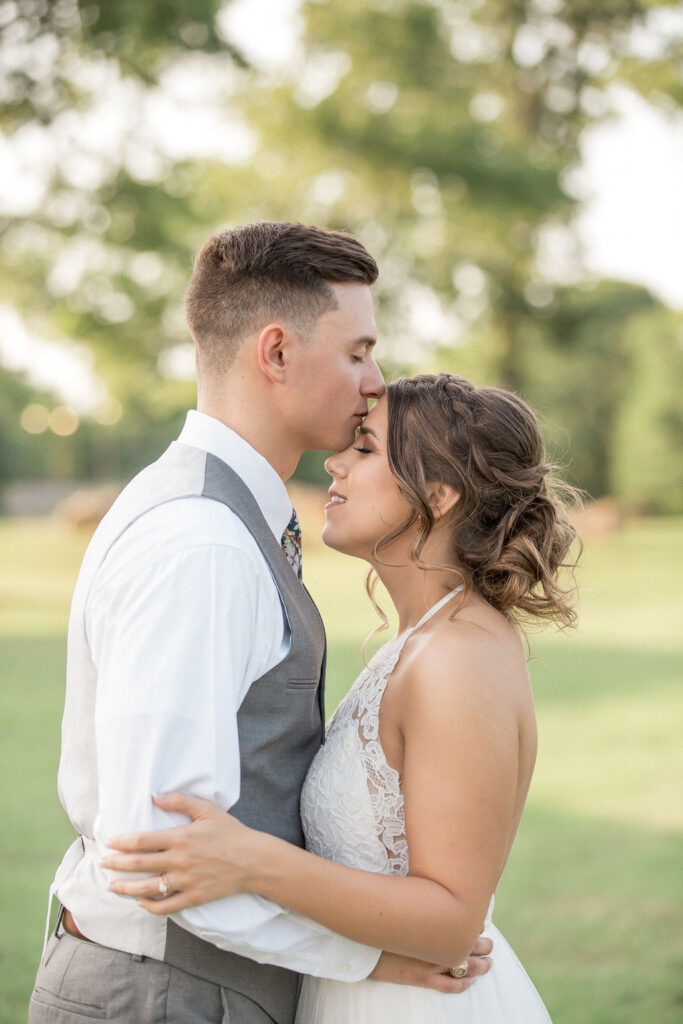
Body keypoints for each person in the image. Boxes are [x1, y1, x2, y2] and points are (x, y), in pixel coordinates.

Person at [28, 224, 493, 1024]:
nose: (374, 382)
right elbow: (166, 860)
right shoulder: (203, 544)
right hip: (166, 997)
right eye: (357, 352)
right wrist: (375, 959)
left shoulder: (209, 512)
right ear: (275, 353)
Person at [103, 372, 580, 1023]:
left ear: (436, 495)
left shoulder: (459, 656)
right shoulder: (423, 637)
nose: (333, 462)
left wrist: (253, 862)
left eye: (364, 449)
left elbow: (449, 922)